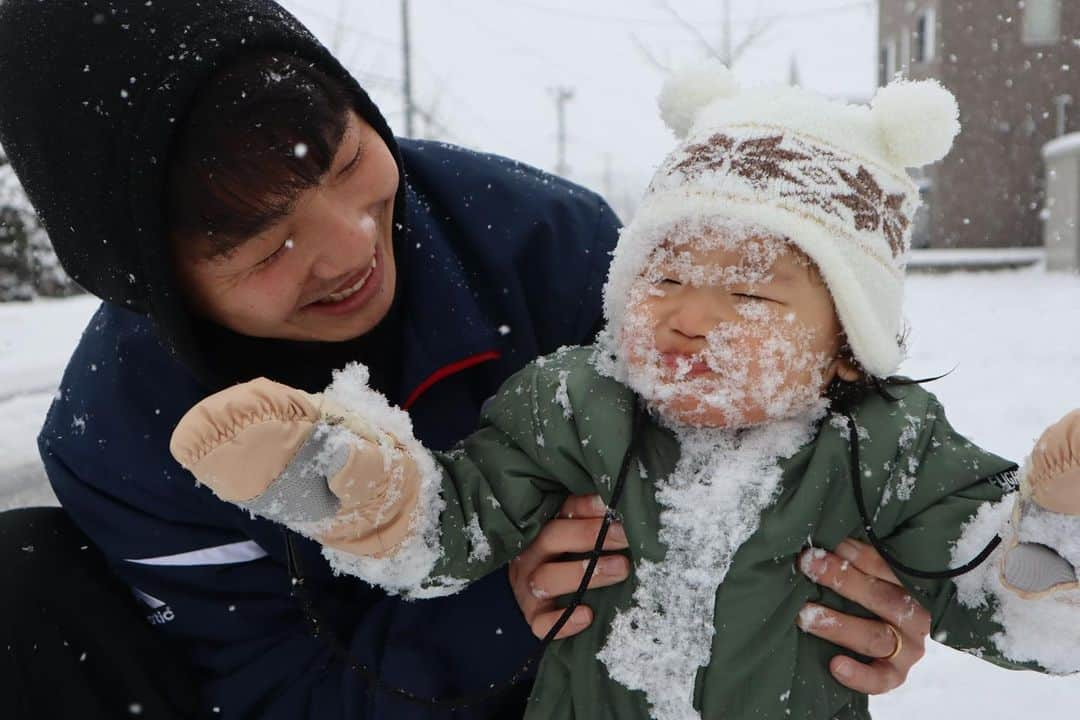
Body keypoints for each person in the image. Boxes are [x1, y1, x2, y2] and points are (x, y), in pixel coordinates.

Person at [0, 2, 936, 717]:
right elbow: (275, 694)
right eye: (262, 242)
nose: (349, 242)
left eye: (342, 161)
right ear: (148, 276)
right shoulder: (126, 428)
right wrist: (493, 616)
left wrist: (857, 581)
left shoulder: (549, 246)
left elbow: (773, 431)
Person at [172, 65, 1080, 720]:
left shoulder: (885, 444)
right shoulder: (575, 402)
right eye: (663, 277)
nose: (689, 319)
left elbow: (981, 586)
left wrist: (1051, 535)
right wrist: (360, 488)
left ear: (846, 347)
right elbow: (459, 525)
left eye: (751, 295)